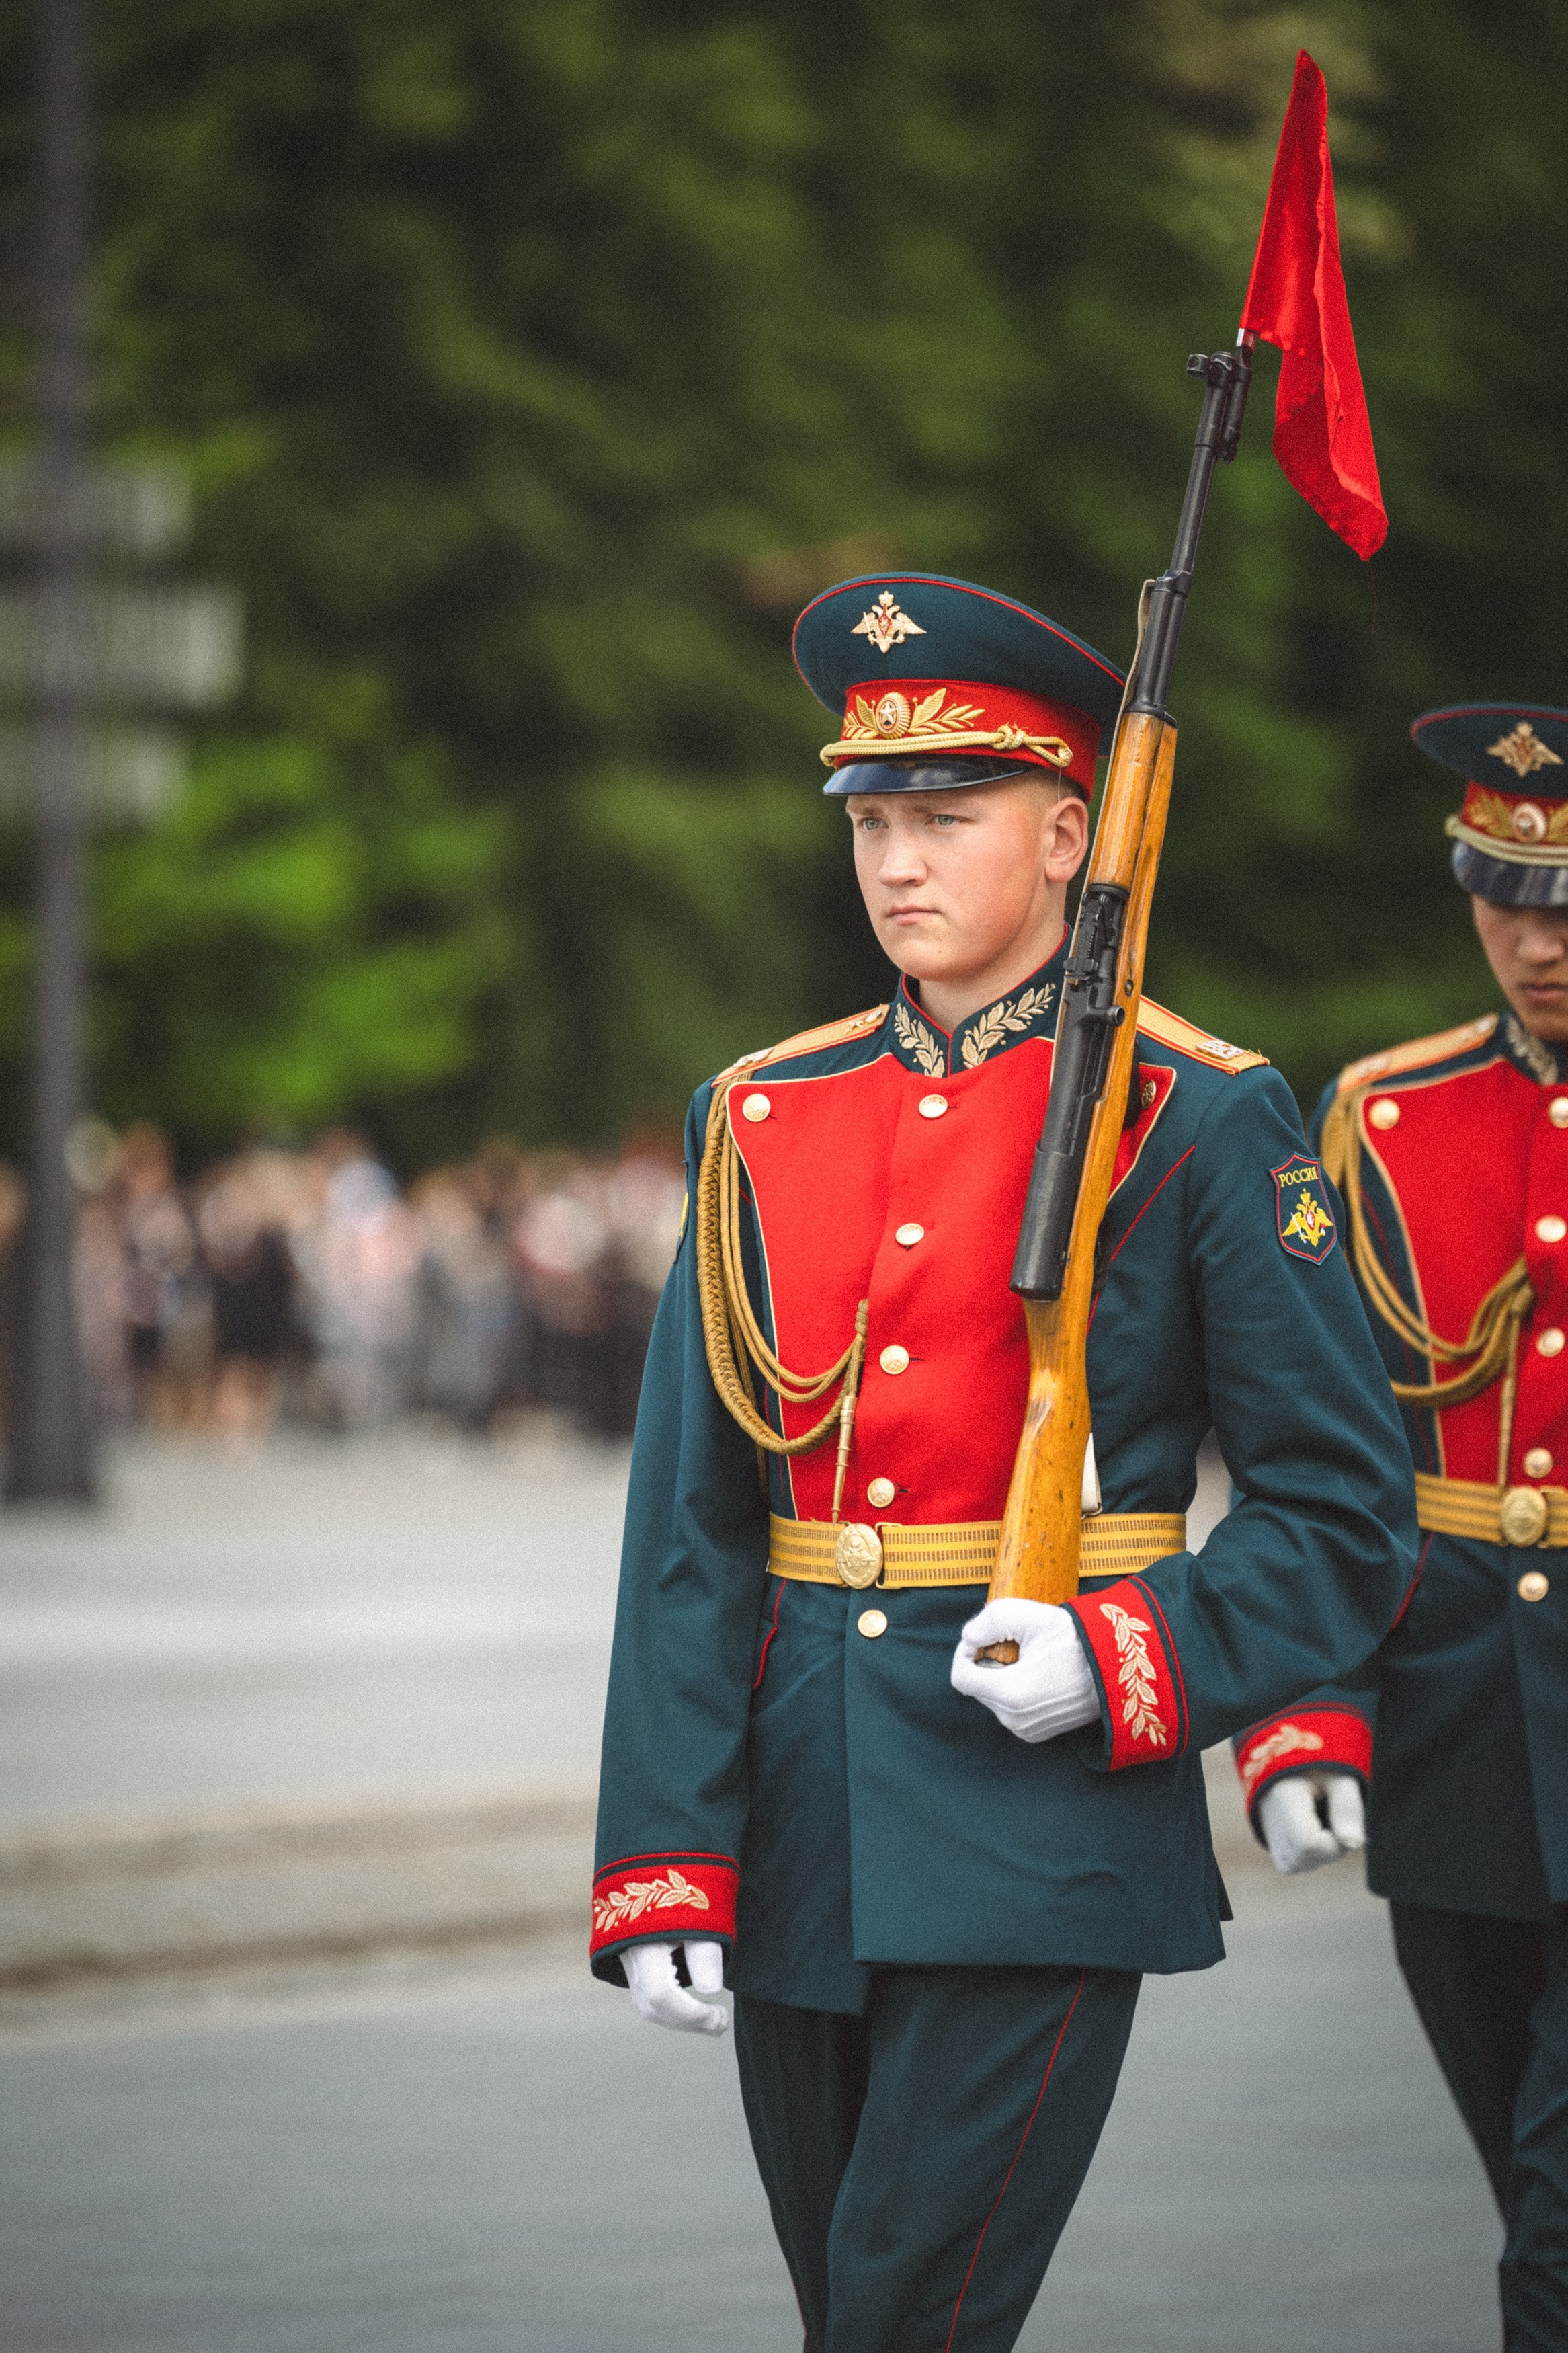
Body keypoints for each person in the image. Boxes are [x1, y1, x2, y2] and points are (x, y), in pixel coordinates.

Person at [593, 571, 1417, 2353]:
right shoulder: (761, 1114)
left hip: (1036, 1811)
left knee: (907, 2319)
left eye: (943, 816)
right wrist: (664, 1842)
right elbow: (691, 1527)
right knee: (849, 2308)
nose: (894, 858)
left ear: (1064, 834)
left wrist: (1128, 1651)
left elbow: (1342, 1513)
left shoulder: (1196, 1112)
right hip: (802, 1805)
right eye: (871, 818)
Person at [1235, 702, 1568, 2353]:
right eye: (1503, 891)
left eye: (1567, 898)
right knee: (1527, 2168)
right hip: (1458, 1727)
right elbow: (1335, 1456)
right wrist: (1311, 1706)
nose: (1535, 938)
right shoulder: (1384, 1116)